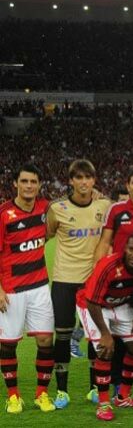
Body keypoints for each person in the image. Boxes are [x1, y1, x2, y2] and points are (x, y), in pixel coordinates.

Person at [46, 159, 111, 408]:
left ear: (94, 180)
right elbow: (46, 234)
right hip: (64, 280)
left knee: (95, 337)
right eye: (78, 178)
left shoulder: (105, 205)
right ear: (71, 181)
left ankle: (94, 388)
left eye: (88, 178)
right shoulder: (57, 208)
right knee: (62, 336)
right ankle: (62, 391)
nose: (83, 183)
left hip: (92, 283)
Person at [76, 234, 133, 421]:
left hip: (120, 304)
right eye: (131, 249)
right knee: (105, 350)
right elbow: (92, 300)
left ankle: (123, 396)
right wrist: (105, 333)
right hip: (92, 306)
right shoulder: (108, 266)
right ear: (124, 249)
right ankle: (103, 404)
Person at [0, 164, 56, 414]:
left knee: (46, 341)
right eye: (24, 181)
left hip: (40, 287)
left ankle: (41, 395)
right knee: (7, 345)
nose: (29, 186)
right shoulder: (3, 214)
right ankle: (13, 396)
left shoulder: (46, 207)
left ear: (39, 184)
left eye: (33, 181)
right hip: (11, 290)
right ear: (15, 184)